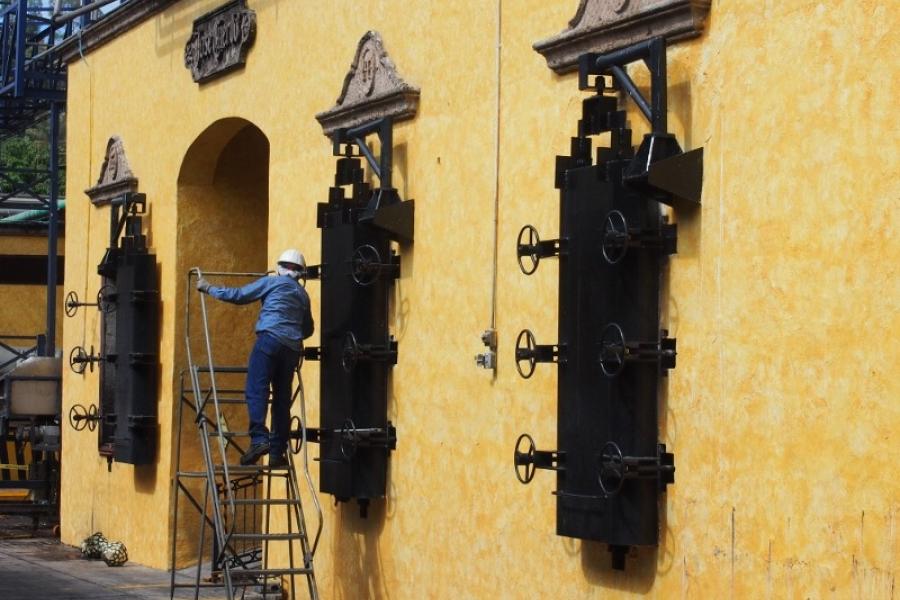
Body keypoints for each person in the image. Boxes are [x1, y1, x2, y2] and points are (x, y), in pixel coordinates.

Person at [196, 249, 314, 468]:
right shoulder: (303, 295)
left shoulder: (271, 283)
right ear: (301, 274)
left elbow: (239, 296)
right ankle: (277, 453)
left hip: (268, 341)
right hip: (291, 350)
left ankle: (259, 439)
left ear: (280, 267)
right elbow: (308, 329)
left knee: (256, 389)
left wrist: (208, 288)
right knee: (281, 402)